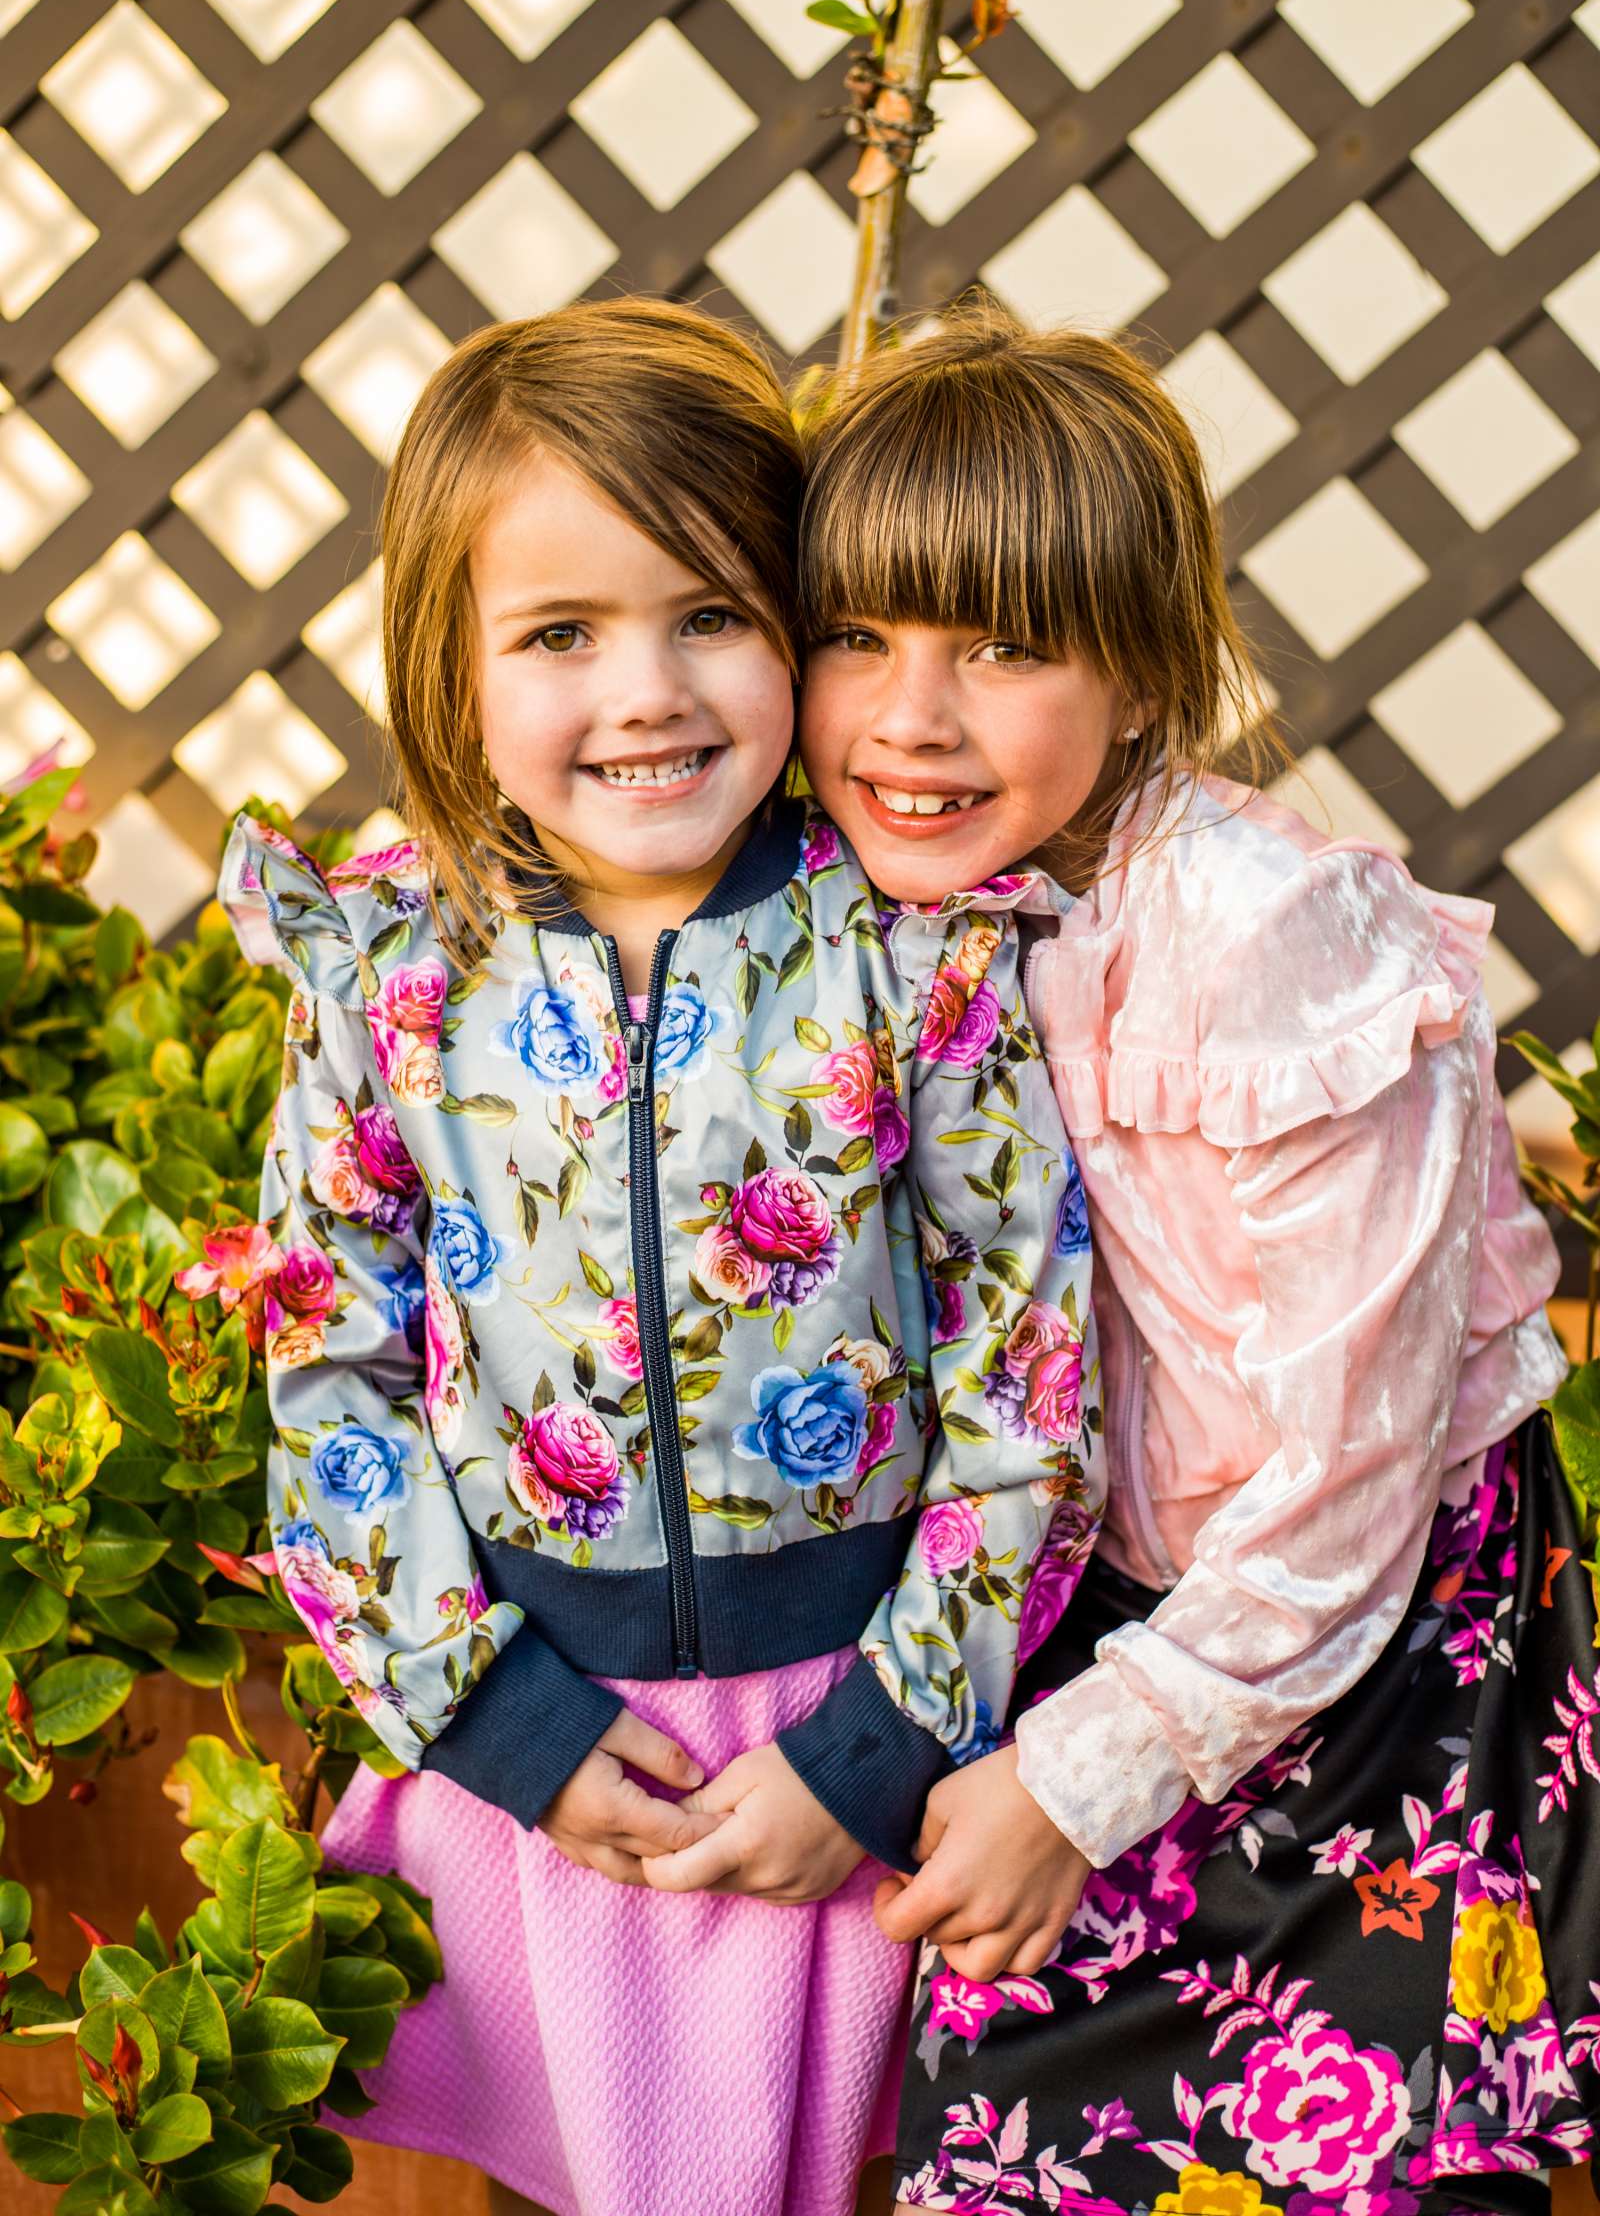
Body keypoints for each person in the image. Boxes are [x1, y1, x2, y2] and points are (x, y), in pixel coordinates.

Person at [218, 298, 1103, 2216]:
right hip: (549, 1744)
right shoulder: (387, 974)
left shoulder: (912, 960)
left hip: (866, 1736)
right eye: (558, 634)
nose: (650, 692)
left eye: (713, 613)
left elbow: (1024, 1369)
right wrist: (500, 1721)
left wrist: (885, 1741)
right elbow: (330, 1369)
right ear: (449, 674)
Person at [793, 306, 1592, 2216]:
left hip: (1373, 1638)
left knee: (1356, 2167)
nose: (912, 714)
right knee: (1025, 2154)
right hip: (1107, 1592)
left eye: (1005, 645)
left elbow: (1349, 1473)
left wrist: (1080, 1778)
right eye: (859, 636)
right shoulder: (880, 901)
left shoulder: (1266, 948)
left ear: (1144, 673)